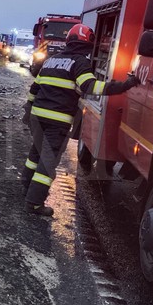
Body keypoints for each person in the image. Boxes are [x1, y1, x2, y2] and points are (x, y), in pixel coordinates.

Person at [20, 24, 139, 216]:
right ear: (87, 44)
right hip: (57, 121)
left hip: (37, 116)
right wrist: (124, 86)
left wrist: (28, 110)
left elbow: (35, 88)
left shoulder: (52, 60)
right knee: (47, 163)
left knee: (35, 154)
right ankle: (34, 203)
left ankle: (25, 189)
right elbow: (90, 86)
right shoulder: (80, 62)